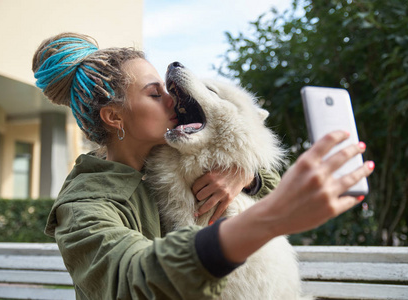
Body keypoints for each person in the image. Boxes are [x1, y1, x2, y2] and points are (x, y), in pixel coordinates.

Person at [32, 32, 374, 300]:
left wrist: (244, 175)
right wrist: (271, 218)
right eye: (154, 94)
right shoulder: (84, 206)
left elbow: (264, 176)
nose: (173, 99)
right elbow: (132, 280)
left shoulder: (169, 154)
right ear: (114, 116)